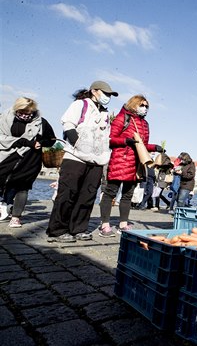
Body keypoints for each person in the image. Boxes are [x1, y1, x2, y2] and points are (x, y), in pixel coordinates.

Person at [46, 81, 118, 242]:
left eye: (110, 95)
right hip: (76, 157)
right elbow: (68, 123)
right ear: (94, 91)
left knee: (87, 195)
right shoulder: (81, 104)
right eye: (105, 93)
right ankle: (57, 230)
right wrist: (77, 143)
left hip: (96, 160)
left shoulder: (105, 113)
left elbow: (106, 136)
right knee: (68, 193)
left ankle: (78, 228)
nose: (107, 97)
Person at [98, 95, 163, 237]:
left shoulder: (145, 125)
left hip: (135, 164)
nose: (145, 108)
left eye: (147, 106)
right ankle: (105, 224)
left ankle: (123, 223)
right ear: (134, 104)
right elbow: (110, 139)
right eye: (142, 105)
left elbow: (142, 146)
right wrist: (125, 141)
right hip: (120, 161)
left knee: (128, 195)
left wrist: (154, 147)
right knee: (110, 193)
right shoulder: (123, 118)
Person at [0, 97, 57, 228]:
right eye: (21, 113)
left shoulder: (41, 123)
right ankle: (5, 204)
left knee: (22, 187)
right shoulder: (5, 118)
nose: (25, 116)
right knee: (3, 181)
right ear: (16, 110)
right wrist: (25, 142)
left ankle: (16, 217)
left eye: (29, 113)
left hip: (30, 159)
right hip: (7, 156)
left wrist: (41, 142)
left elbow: (51, 139)